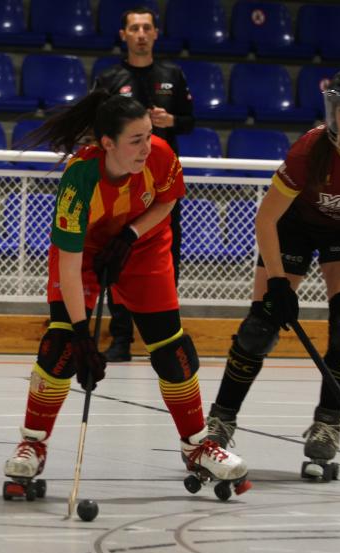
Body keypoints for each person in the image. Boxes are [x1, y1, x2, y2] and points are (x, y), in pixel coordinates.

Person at [4, 89, 245, 491]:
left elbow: (166, 202)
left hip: (143, 245)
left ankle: (197, 446)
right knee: (61, 346)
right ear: (108, 143)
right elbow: (68, 261)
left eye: (149, 135)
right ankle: (33, 444)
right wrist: (81, 335)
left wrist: (130, 235)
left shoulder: (161, 156)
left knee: (172, 350)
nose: (147, 147)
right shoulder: (80, 178)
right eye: (136, 140)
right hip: (84, 253)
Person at [205, 65, 340, 466]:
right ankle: (221, 419)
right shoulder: (308, 152)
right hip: (294, 226)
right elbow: (266, 220)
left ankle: (327, 423)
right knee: (259, 328)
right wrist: (278, 284)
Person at [93, 6, 194, 363]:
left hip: (163, 180)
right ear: (123, 35)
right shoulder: (109, 78)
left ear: (155, 34)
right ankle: (121, 338)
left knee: (167, 256)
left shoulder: (172, 75)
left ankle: (163, 337)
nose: (140, 34)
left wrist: (171, 120)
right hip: (121, 182)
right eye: (134, 28)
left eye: (146, 28)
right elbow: (96, 126)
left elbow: (190, 121)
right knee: (117, 254)